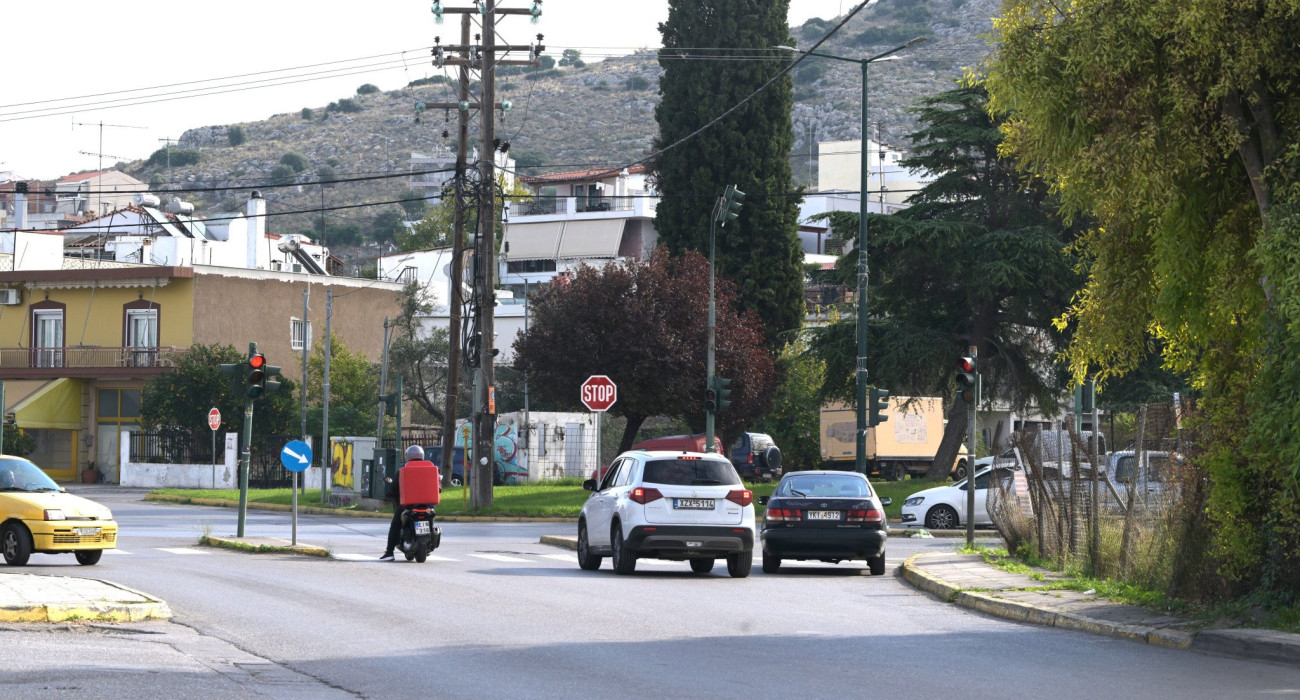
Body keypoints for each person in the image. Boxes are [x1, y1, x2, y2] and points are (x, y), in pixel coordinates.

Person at [381, 445, 425, 560]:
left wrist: (390, 493)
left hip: (408, 505)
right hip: (427, 505)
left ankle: (389, 553)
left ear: (408, 456)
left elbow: (394, 487)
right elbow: (438, 487)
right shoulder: (430, 467)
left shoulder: (403, 469)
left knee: (395, 525)